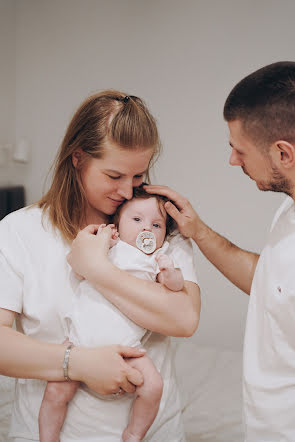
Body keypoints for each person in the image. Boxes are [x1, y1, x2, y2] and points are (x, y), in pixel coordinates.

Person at [0, 90, 201, 442]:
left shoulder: (155, 227)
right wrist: (75, 364)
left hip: (153, 432)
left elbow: (183, 319)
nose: (127, 191)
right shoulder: (19, 232)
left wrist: (96, 268)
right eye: (114, 175)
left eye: (138, 176)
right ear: (78, 158)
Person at [142, 61, 295, 442]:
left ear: (283, 154)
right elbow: (272, 283)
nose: (233, 160)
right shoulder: (289, 207)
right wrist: (197, 230)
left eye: (239, 150)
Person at [39, 186, 185, 442]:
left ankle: (134, 433)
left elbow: (175, 288)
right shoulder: (108, 247)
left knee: (154, 386)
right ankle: (47, 437)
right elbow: (79, 270)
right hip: (79, 342)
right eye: (136, 220)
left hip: (127, 349)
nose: (146, 229)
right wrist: (102, 243)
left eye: (156, 225)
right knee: (55, 394)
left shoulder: (158, 258)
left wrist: (170, 272)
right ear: (117, 223)